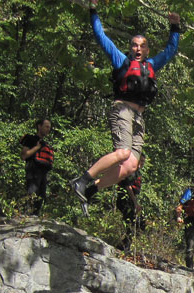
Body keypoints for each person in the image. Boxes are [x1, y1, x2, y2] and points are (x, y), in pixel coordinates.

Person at [68, 0, 179, 209]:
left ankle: (91, 190)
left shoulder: (153, 64)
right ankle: (81, 181)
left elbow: (171, 50)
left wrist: (175, 27)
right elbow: (101, 37)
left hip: (139, 117)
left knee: (131, 166)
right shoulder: (122, 61)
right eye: (134, 45)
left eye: (142, 45)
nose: (138, 48)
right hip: (123, 110)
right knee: (123, 153)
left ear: (147, 50)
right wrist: (93, 10)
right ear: (130, 48)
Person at [19, 118, 53, 215]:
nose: (48, 129)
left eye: (49, 127)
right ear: (39, 126)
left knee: (41, 197)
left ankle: (35, 217)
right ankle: (26, 216)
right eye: (46, 126)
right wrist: (37, 148)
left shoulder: (45, 143)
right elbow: (24, 155)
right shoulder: (30, 139)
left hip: (43, 174)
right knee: (32, 194)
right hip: (33, 171)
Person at [115, 168, 143, 253]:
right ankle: (124, 246)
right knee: (131, 222)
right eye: (140, 161)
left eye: (143, 162)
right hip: (125, 198)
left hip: (131, 198)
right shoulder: (131, 171)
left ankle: (125, 244)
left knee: (136, 223)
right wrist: (135, 203)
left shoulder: (137, 172)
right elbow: (128, 186)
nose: (142, 163)